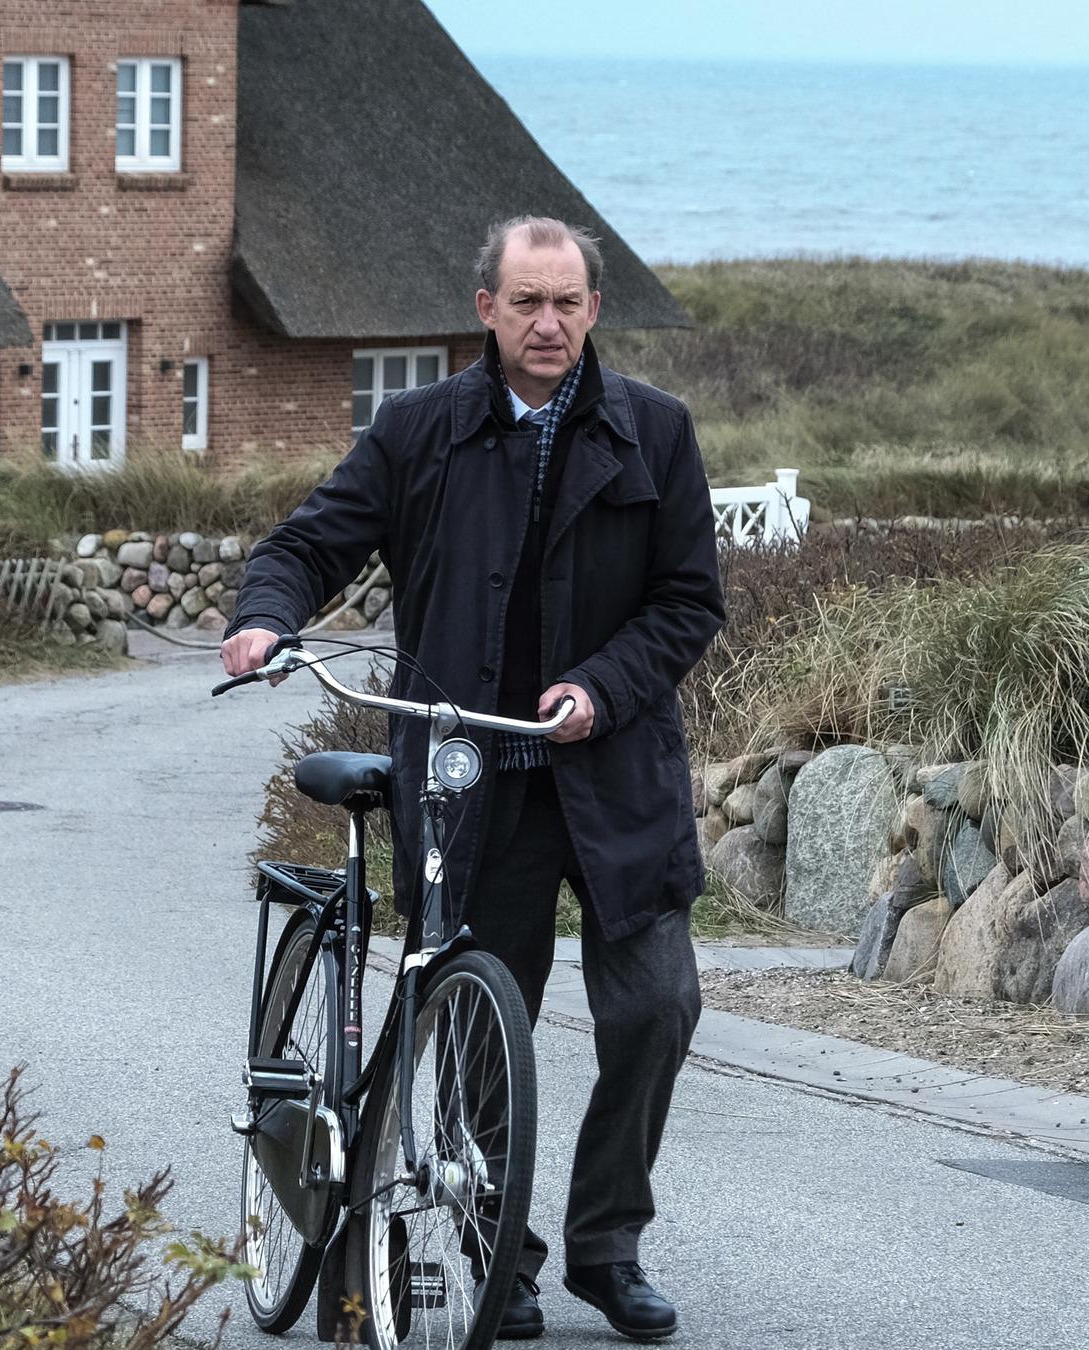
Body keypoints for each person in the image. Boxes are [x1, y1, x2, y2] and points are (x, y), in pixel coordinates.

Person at [221, 216, 727, 1341]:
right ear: (487, 310)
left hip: (614, 779)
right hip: (472, 785)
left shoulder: (657, 431)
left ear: (594, 310)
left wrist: (601, 684)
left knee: (657, 1008)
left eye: (568, 303)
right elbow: (306, 546)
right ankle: (506, 1249)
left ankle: (607, 1244)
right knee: (482, 1030)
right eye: (526, 303)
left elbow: (689, 601)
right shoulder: (417, 433)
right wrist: (265, 621)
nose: (548, 324)